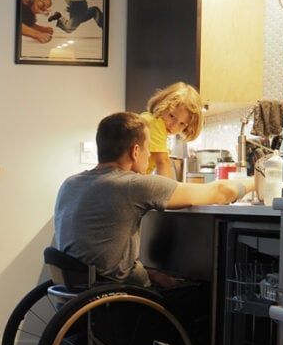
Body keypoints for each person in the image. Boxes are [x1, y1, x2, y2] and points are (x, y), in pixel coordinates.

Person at [54, 112, 252, 290]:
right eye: (148, 149)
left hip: (80, 293)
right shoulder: (132, 185)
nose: (149, 154)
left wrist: (152, 274)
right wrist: (257, 180)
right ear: (135, 151)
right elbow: (220, 192)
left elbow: (100, 261)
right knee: (200, 294)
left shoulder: (70, 183)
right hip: (120, 298)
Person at [140, 82, 204, 180]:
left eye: (182, 124)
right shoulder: (155, 123)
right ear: (161, 104)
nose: (173, 126)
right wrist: (170, 192)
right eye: (172, 116)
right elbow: (163, 161)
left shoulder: (152, 121)